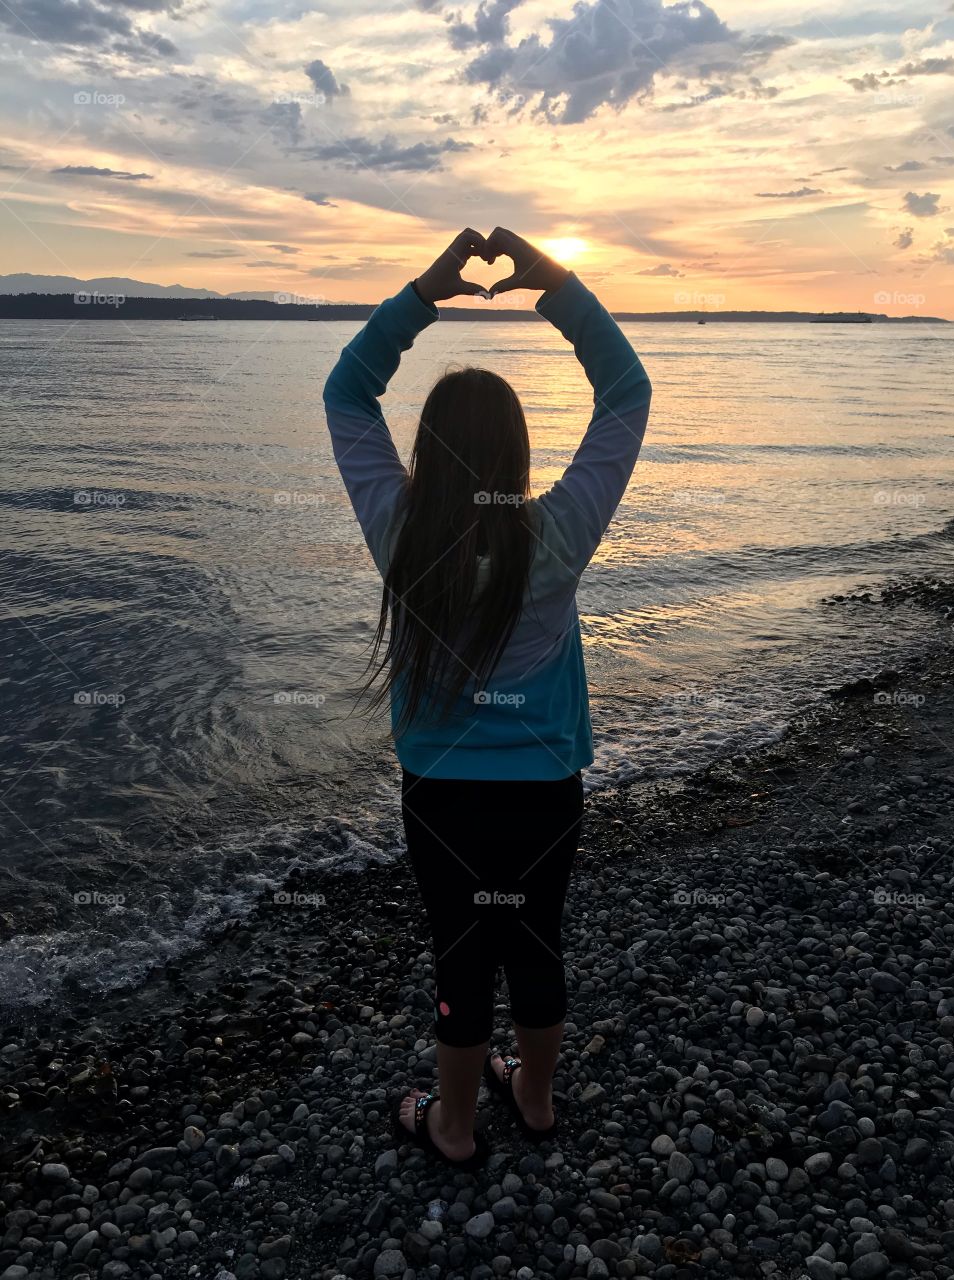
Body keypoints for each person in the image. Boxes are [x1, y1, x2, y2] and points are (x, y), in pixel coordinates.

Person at [323, 227, 652, 1168]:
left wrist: (424, 294)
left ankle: (454, 1126)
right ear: (514, 456)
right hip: (544, 787)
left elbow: (346, 394)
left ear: (428, 452)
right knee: (536, 940)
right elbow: (626, 393)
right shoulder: (554, 535)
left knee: (460, 951)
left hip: (440, 793)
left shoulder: (399, 529)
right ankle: (536, 1102)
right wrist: (554, 287)